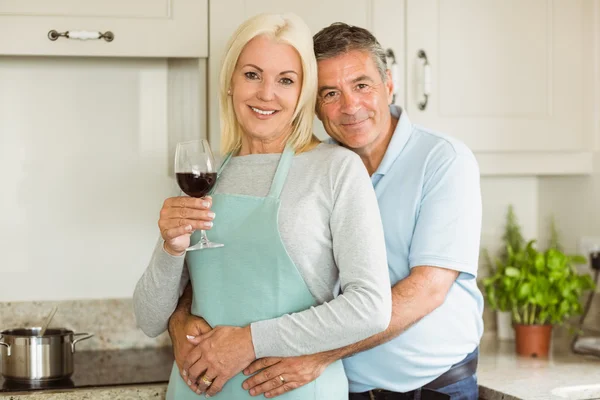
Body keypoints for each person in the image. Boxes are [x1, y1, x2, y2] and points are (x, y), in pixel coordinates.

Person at [169, 22, 484, 400]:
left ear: (389, 84)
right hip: (340, 385)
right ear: (312, 105)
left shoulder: (442, 161)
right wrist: (180, 318)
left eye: (362, 85)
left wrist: (319, 354)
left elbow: (426, 291)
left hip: (428, 389)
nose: (350, 106)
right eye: (330, 93)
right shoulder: (317, 170)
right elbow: (227, 259)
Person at [133, 15, 392, 400]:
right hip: (194, 392)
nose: (266, 94)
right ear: (230, 82)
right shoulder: (207, 173)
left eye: (285, 80)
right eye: (252, 75)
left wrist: (250, 342)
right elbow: (148, 319)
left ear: (303, 92)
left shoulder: (335, 169)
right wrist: (171, 249)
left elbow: (371, 308)